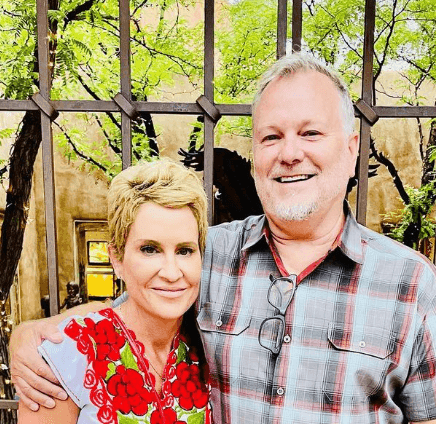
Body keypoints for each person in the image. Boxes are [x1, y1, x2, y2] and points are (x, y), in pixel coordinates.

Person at [10, 54, 436, 423]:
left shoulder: (412, 283)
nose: (289, 153)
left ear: (351, 148)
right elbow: (127, 315)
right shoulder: (206, 254)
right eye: (271, 136)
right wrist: (31, 333)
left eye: (310, 133)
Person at [16, 159, 211, 423]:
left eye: (184, 251)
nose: (171, 272)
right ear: (116, 257)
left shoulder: (208, 346)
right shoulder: (70, 353)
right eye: (149, 249)